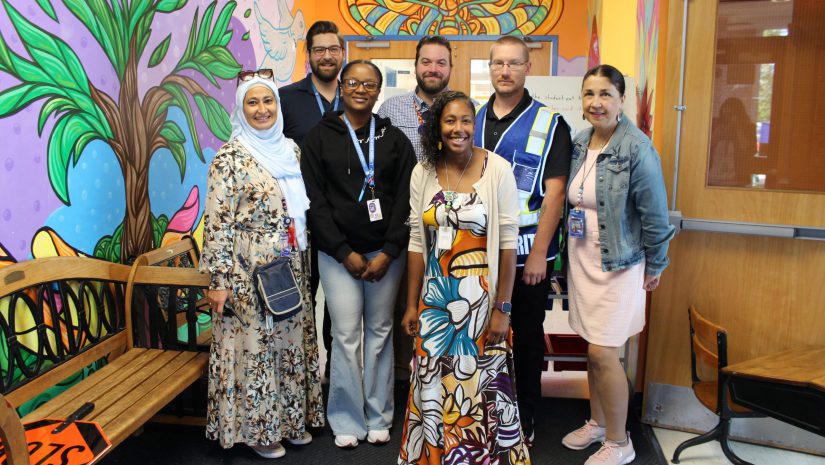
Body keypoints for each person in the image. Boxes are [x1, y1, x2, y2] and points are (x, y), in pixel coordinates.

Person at [399, 91, 530, 464]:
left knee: (476, 384)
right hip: (434, 299)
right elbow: (414, 240)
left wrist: (503, 307)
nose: (459, 129)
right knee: (431, 383)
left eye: (466, 120)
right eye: (450, 121)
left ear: (476, 124)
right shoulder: (423, 171)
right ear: (438, 127)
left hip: (480, 300)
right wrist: (411, 304)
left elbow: (508, 243)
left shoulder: (498, 169)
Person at [200, 70, 324, 459]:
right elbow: (217, 221)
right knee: (257, 347)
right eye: (252, 103)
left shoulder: (291, 150)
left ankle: (289, 421)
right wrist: (219, 280)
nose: (262, 109)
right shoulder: (230, 157)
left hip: (289, 265)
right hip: (246, 271)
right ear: (240, 109)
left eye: (268, 101)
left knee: (288, 346)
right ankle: (257, 430)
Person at [562, 64, 675, 465]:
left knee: (604, 352)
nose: (596, 103)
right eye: (589, 94)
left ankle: (619, 440)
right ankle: (596, 421)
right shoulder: (579, 142)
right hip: (583, 261)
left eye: (605, 94)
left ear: (621, 99)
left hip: (620, 264)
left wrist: (655, 265)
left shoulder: (636, 148)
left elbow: (657, 217)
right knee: (592, 349)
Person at [301, 60, 417, 449]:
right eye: (353, 82)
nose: (361, 89)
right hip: (338, 257)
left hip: (387, 254)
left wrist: (389, 250)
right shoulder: (320, 136)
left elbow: (407, 200)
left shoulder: (394, 139)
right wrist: (342, 250)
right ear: (342, 87)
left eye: (369, 84)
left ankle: (380, 414)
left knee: (380, 334)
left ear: (378, 91)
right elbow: (315, 203)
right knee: (346, 335)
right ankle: (347, 418)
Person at [474, 35, 572, 443]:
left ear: (527, 67)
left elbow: (556, 193)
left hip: (528, 252)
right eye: (498, 63)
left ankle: (526, 413)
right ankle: (486, 408)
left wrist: (539, 256)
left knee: (527, 334)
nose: (505, 71)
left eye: (514, 63)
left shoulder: (551, 123)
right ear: (490, 67)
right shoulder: (474, 118)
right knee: (482, 329)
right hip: (479, 249)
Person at [377, 35, 454, 393]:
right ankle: (401, 383)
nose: (433, 68)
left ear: (450, 68)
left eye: (440, 62)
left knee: (445, 303)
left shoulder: (461, 109)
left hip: (449, 225)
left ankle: (442, 382)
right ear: (416, 65)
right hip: (402, 223)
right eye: (427, 61)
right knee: (400, 307)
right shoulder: (391, 109)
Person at [280, 20, 346, 380]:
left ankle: (335, 383)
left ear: (342, 53)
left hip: (343, 225)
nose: (326, 55)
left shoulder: (353, 96)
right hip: (300, 224)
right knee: (299, 306)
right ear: (309, 54)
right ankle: (300, 387)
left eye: (332, 49)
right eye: (318, 49)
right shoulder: (286, 98)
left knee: (338, 312)